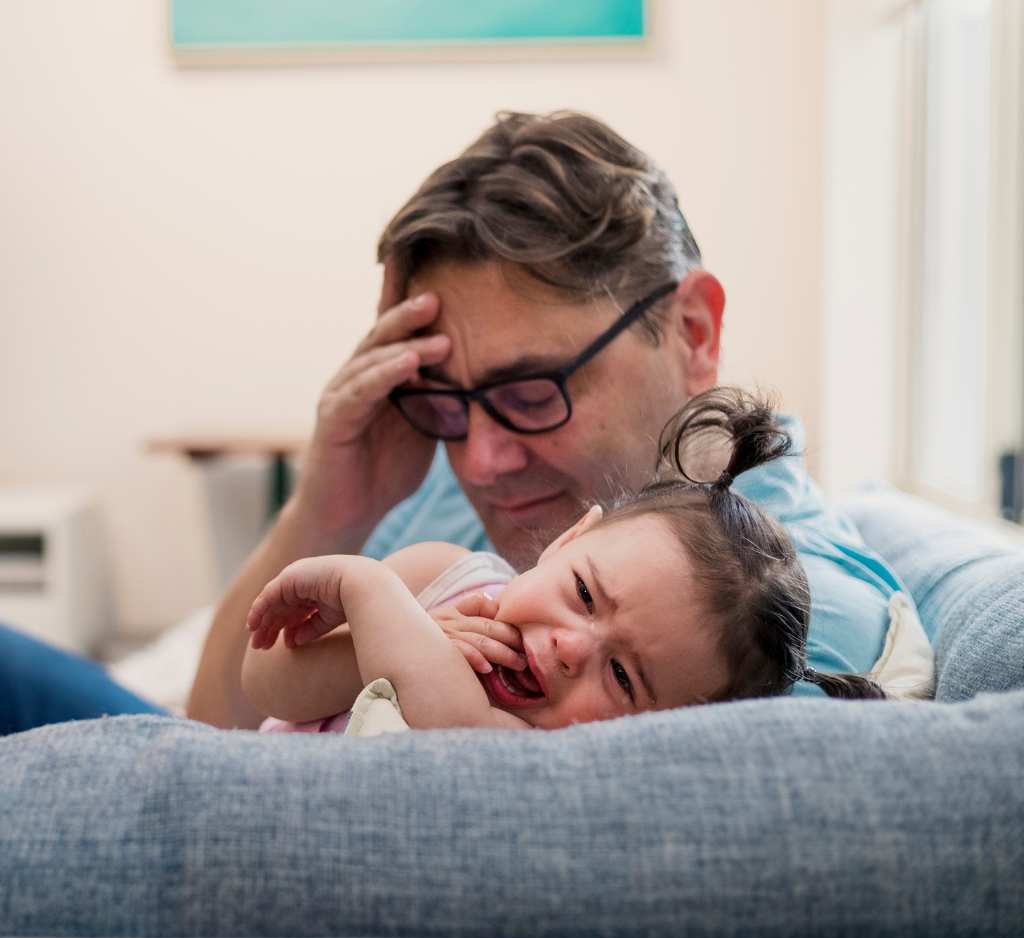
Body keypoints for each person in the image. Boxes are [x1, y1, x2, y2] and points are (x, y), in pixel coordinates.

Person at [0, 110, 905, 736]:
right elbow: (216, 723)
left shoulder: (781, 620)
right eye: (447, 401)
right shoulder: (456, 490)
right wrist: (330, 506)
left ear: (694, 332)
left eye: (532, 389)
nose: (480, 458)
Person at [244, 389, 885, 737]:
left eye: (624, 678)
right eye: (583, 593)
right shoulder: (443, 578)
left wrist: (367, 590)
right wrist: (384, 638)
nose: (573, 648)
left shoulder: (547, 752)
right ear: (571, 539)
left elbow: (453, 734)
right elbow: (267, 683)